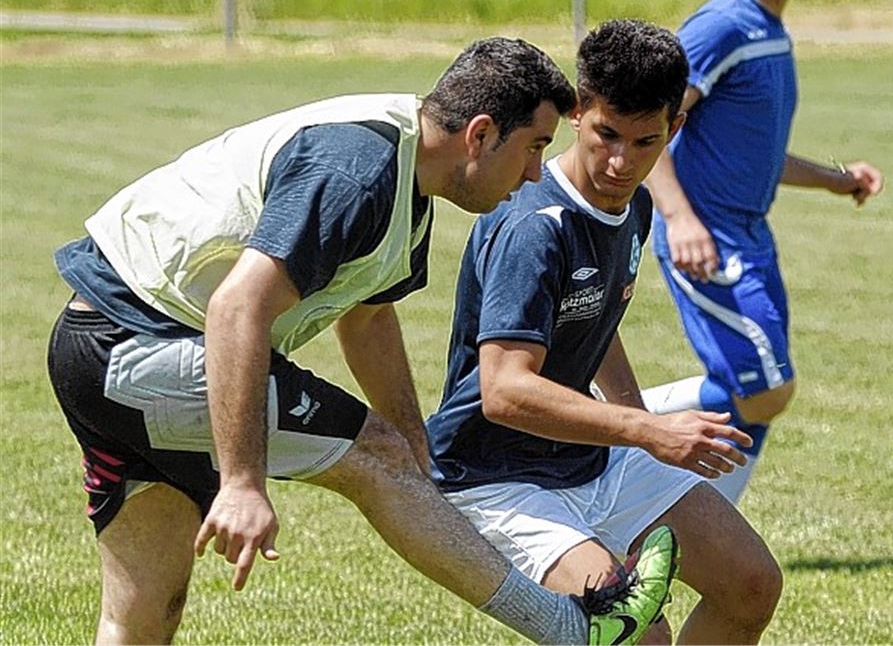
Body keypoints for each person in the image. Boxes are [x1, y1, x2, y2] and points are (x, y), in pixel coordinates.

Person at [46, 37, 679, 646]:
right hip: (132, 345)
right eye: (534, 147)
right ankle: (579, 630)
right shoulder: (360, 172)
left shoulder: (408, 185)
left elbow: (367, 319)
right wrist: (242, 481)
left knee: (143, 616)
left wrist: (416, 444)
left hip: (106, 350)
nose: (537, 171)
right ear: (481, 135)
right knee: (374, 456)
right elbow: (237, 307)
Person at [426, 19, 784, 645]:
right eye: (606, 134)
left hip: (587, 458)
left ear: (673, 129)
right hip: (498, 477)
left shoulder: (632, 205)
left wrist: (637, 426)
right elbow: (504, 390)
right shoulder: (535, 228)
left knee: (749, 582)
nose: (621, 162)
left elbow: (591, 318)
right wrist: (648, 431)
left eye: (645, 142)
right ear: (576, 112)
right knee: (639, 635)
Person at [639, 0, 885, 503]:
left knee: (758, 392)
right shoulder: (720, 27)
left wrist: (837, 179)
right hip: (707, 240)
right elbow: (648, 127)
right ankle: (596, 420)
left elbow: (757, 156)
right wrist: (679, 217)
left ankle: (713, 529)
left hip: (750, 234)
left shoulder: (769, 31)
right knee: (766, 389)